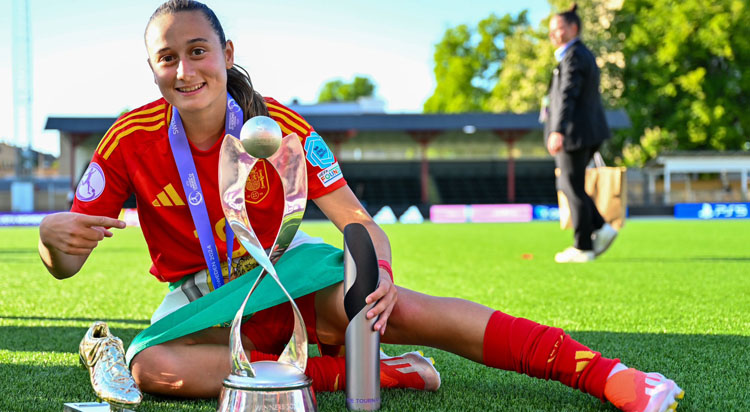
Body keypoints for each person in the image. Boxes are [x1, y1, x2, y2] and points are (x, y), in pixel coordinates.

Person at [38, 1, 684, 411]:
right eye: (166, 58)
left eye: (197, 50)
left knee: (400, 310)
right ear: (152, 68)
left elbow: (354, 218)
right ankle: (367, 375)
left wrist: (377, 273)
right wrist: (51, 239)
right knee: (154, 367)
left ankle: (603, 375)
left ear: (227, 54)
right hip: (202, 299)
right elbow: (66, 266)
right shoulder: (128, 139)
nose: (184, 70)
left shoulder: (284, 125)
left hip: (288, 273)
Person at [544, 4, 619, 263]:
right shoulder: (575, 54)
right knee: (570, 184)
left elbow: (568, 95)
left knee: (570, 185)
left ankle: (583, 246)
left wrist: (557, 130)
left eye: (559, 28)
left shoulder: (574, 55)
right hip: (583, 131)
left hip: (574, 133)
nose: (554, 34)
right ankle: (600, 228)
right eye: (551, 30)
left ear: (573, 28)